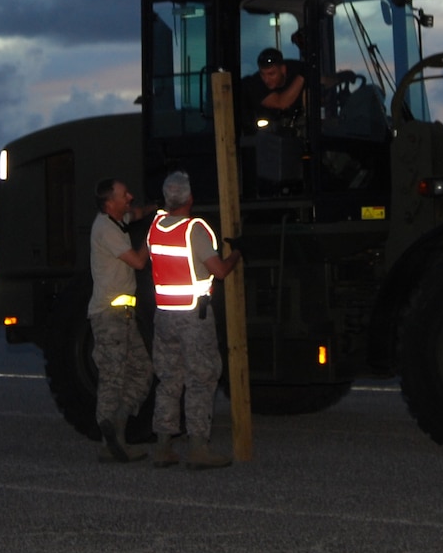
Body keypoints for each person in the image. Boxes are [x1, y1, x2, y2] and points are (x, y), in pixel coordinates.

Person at [146, 170, 241, 470]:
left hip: (164, 317)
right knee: (201, 378)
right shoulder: (194, 231)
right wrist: (237, 252)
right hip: (193, 317)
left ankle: (163, 446)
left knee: (168, 379)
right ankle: (198, 447)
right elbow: (221, 271)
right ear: (189, 199)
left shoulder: (156, 227)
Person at [88, 177, 151, 463]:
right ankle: (108, 437)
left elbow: (136, 214)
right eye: (124, 195)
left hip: (123, 315)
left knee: (141, 370)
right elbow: (138, 262)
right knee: (113, 375)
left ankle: (117, 432)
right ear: (109, 202)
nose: (130, 197)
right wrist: (153, 236)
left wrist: (157, 209)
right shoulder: (106, 229)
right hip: (109, 315)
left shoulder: (118, 220)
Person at [250, 47, 304, 131]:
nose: (266, 79)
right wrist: (303, 75)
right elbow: (281, 103)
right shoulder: (256, 83)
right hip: (266, 134)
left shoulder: (296, 68)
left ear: (283, 69)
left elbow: (326, 80)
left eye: (271, 74)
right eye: (262, 74)